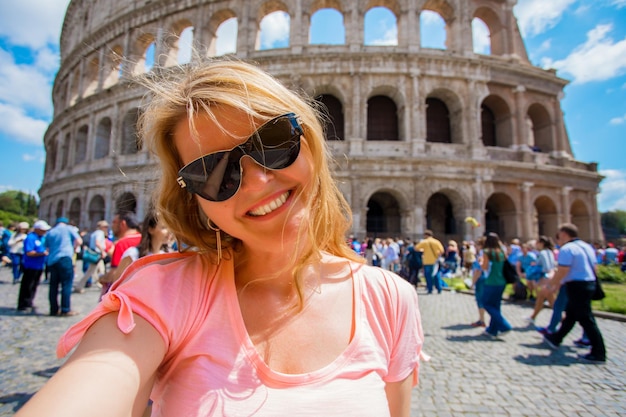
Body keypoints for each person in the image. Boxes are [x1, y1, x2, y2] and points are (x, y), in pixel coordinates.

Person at [16, 59, 423, 417]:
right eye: (214, 173)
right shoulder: (164, 295)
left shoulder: (390, 299)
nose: (258, 181)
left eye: (274, 142)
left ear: (310, 141)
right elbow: (100, 377)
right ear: (195, 201)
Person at [543, 223, 606, 363]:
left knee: (586, 319)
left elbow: (563, 270)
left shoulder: (567, 248)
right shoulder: (587, 246)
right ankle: (556, 338)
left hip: (577, 285)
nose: (557, 238)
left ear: (564, 234)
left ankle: (599, 352)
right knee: (571, 314)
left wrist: (551, 285)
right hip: (589, 283)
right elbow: (595, 267)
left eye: (558, 235)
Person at [104, 210, 172, 285]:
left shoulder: (167, 256)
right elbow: (117, 284)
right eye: (164, 227)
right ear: (151, 229)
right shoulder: (133, 254)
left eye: (170, 228)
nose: (169, 232)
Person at [44, 217, 82, 317]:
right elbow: (79, 241)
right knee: (66, 284)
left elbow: (46, 246)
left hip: (52, 260)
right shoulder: (69, 229)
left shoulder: (51, 231)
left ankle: (53, 309)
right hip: (65, 258)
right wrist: (73, 248)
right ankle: (65, 309)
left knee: (53, 286)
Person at [98, 211, 141, 295]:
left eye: (114, 222)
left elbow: (114, 273)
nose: (111, 226)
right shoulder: (143, 239)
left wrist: (102, 278)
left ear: (123, 224)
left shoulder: (122, 243)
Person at [480, 232, 512, 338]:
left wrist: (480, 262)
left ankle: (505, 325)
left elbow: (484, 267)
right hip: (501, 282)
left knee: (486, 304)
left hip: (491, 281)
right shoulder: (501, 252)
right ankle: (492, 330)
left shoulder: (487, 252)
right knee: (496, 306)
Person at [17, 220, 50, 313]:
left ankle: (29, 302)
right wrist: (41, 253)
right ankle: (23, 304)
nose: (45, 232)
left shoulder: (41, 237)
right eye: (43, 230)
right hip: (30, 265)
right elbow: (29, 252)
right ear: (37, 229)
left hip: (39, 266)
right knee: (27, 285)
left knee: (34, 285)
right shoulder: (31, 238)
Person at [526, 236, 557, 323]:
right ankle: (533, 317)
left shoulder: (543, 253)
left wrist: (536, 266)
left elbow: (546, 267)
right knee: (540, 298)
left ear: (541, 243)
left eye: (537, 243)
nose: (536, 245)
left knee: (551, 301)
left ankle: (561, 318)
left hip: (545, 278)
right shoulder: (549, 252)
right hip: (549, 277)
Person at [74, 220, 110, 293]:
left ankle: (101, 284)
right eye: (105, 227)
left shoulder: (95, 233)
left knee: (101, 270)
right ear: (101, 227)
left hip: (95, 253)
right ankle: (79, 286)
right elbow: (97, 243)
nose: (107, 228)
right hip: (97, 254)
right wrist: (102, 251)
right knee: (90, 272)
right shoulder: (100, 233)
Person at [415, 229, 444, 294]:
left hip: (427, 261)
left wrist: (423, 250)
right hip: (435, 261)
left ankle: (430, 289)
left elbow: (416, 248)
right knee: (436, 275)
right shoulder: (436, 242)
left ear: (426, 235)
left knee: (428, 276)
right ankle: (439, 288)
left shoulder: (424, 242)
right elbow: (442, 250)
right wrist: (437, 254)